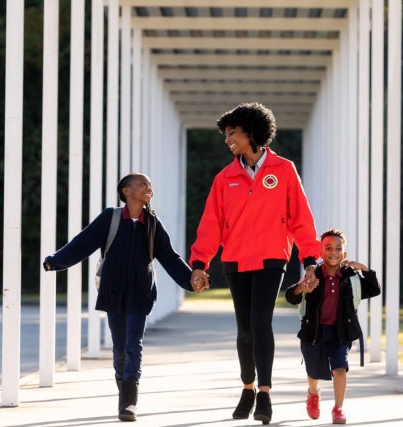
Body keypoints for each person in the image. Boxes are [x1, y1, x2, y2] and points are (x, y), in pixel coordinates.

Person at [189, 102, 321, 425]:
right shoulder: (225, 178)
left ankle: (264, 393)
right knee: (245, 329)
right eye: (225, 134)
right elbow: (211, 224)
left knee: (261, 321)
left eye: (232, 133)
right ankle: (246, 387)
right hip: (234, 260)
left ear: (251, 132)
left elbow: (300, 219)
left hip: (272, 257)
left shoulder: (284, 170)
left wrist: (309, 260)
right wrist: (199, 263)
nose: (227, 140)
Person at [43, 173, 209, 422]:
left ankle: (129, 402)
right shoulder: (109, 218)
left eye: (150, 184)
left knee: (134, 344)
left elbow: (170, 257)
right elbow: (83, 243)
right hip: (113, 289)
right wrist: (56, 262)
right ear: (126, 191)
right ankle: (123, 390)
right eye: (142, 183)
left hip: (140, 291)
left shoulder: (152, 223)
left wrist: (189, 280)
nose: (148, 187)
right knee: (120, 347)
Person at [285, 228, 380, 424]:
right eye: (328, 248)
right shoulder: (313, 274)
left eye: (338, 248)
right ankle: (313, 393)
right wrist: (301, 287)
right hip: (315, 332)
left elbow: (373, 289)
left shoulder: (350, 277)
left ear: (344, 254)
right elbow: (291, 297)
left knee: (340, 369)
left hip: (340, 333)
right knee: (314, 371)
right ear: (320, 252)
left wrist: (363, 268)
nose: (333, 252)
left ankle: (338, 408)